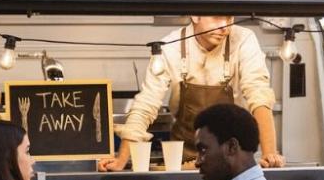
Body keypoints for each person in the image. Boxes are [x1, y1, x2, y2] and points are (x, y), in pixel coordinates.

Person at [99, 16, 284, 171]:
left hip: (231, 161)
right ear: (195, 15)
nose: (224, 27)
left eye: (229, 18)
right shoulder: (170, 47)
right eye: (217, 17)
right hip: (184, 159)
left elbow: (259, 96)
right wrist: (121, 159)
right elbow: (146, 104)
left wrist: (270, 154)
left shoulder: (243, 39)